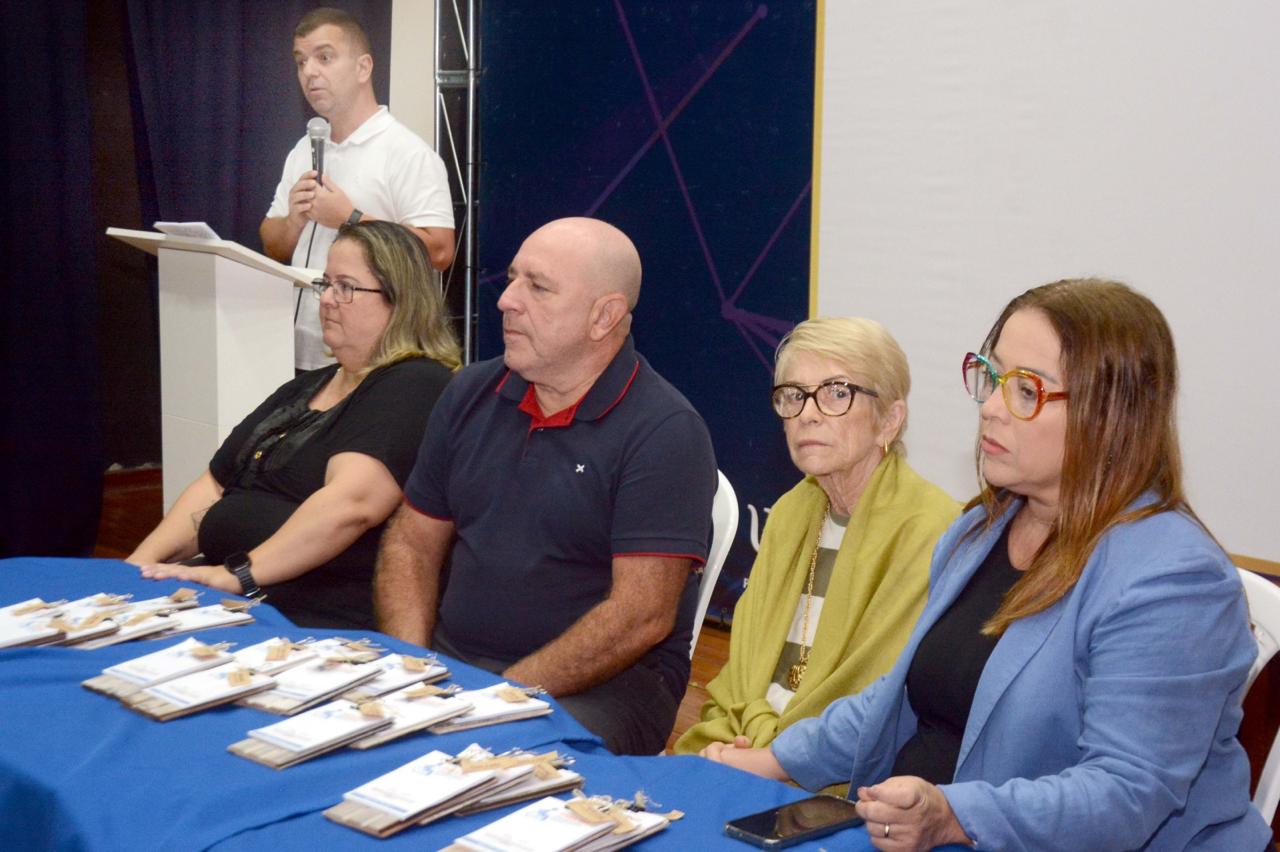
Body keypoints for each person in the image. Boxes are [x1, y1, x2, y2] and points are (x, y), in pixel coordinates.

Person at [703, 279, 1269, 850]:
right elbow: (900, 695)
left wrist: (954, 815)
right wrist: (773, 760)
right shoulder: (980, 530)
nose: (992, 408)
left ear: (1109, 414)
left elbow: (1124, 796)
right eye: (992, 378)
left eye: (1026, 390)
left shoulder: (1174, 580)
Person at [374, 217, 717, 755]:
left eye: (538, 287)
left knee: (481, 762)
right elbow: (411, 542)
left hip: (602, 687)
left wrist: (497, 697)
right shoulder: (470, 391)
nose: (506, 300)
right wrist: (411, 666)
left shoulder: (665, 431)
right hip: (453, 664)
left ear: (603, 317)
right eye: (513, 278)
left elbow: (639, 618)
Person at [130, 221, 461, 630]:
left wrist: (237, 575)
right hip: (228, 591)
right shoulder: (307, 385)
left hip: (310, 616)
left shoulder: (416, 382)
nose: (327, 299)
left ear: (401, 301)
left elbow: (351, 506)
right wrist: (139, 565)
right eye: (326, 284)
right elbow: (214, 485)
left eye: (346, 287)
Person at [673, 318, 958, 756]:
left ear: (889, 420)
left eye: (837, 393)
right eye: (793, 395)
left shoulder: (932, 530)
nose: (807, 413)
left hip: (835, 770)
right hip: (743, 740)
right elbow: (738, 677)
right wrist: (731, 747)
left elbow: (881, 705)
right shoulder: (792, 512)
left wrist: (770, 757)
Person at [260, 7, 455, 372]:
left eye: (324, 57)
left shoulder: (407, 152)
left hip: (374, 359)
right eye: (301, 61)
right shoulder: (303, 149)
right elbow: (273, 245)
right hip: (296, 351)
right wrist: (294, 221)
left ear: (363, 68)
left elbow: (441, 251)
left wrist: (350, 218)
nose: (309, 72)